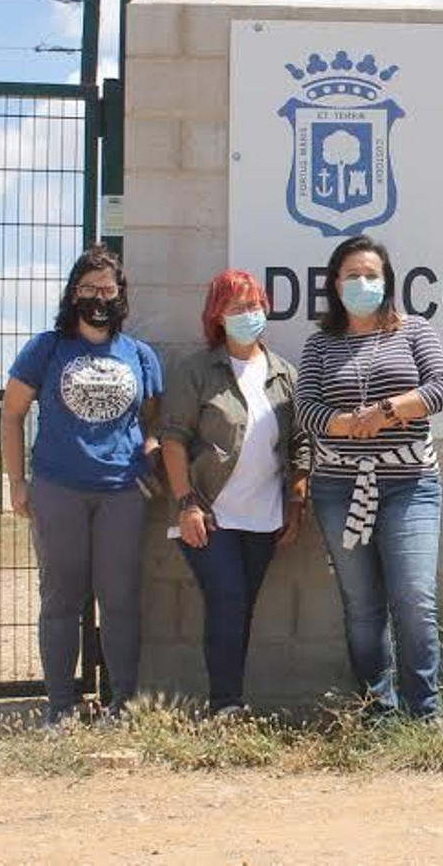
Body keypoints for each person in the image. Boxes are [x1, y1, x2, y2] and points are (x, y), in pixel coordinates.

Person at [1, 245, 163, 727]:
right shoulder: (47, 348)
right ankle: (60, 708)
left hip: (121, 492)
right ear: (73, 294)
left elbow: (154, 420)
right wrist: (16, 482)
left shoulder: (140, 355)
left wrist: (150, 456)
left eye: (107, 290)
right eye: (88, 289)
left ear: (122, 295)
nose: (98, 298)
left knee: (119, 599)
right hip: (58, 489)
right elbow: (11, 413)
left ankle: (123, 704)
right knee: (60, 598)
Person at [295, 235, 443, 721]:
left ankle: (424, 715)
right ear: (334, 284)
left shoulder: (415, 330)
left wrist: (384, 412)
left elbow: (442, 389)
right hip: (339, 488)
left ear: (386, 282)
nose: (362, 283)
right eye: (351, 276)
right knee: (362, 609)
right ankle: (377, 712)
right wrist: (347, 424)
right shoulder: (320, 343)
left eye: (371, 275)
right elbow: (306, 409)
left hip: (411, 483)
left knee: (414, 600)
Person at [158, 269, 312, 717]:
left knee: (240, 609)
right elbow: (172, 438)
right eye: (237, 307)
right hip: (210, 514)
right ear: (217, 316)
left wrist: (297, 502)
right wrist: (186, 502)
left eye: (255, 305)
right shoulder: (197, 371)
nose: (249, 314)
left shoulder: (284, 374)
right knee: (226, 598)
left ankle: (230, 699)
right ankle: (226, 704)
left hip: (264, 515)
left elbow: (301, 440)